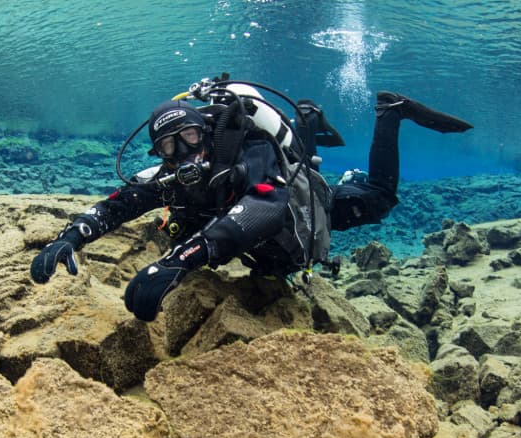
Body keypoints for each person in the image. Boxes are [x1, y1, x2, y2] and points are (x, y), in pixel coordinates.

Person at [30, 80, 472, 322]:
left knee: (379, 199)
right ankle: (310, 122)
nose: (182, 152)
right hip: (256, 243)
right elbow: (116, 205)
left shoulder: (252, 154)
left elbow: (266, 206)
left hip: (302, 210)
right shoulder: (168, 177)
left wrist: (176, 262)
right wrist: (69, 237)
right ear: (159, 154)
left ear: (205, 132)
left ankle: (389, 112)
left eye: (188, 136)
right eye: (169, 146)